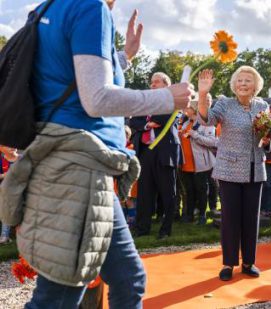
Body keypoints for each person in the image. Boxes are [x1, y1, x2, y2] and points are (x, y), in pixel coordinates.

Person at [0, 1, 192, 308]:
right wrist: (167, 97)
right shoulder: (90, 6)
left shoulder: (52, 7)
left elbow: (71, 79)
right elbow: (96, 98)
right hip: (79, 169)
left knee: (128, 278)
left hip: (71, 162)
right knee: (59, 295)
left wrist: (124, 57)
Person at [197, 67, 270, 281]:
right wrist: (202, 94)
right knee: (230, 219)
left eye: (248, 80)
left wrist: (268, 139)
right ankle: (228, 264)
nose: (243, 84)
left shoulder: (262, 105)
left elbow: (268, 133)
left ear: (256, 85)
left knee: (250, 219)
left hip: (255, 169)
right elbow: (206, 120)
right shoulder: (225, 104)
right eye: (239, 80)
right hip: (229, 169)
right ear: (234, 84)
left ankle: (249, 263)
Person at [130, 72, 181, 239]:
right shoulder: (145, 101)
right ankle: (142, 227)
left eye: (156, 82)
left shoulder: (172, 100)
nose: (152, 85)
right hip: (145, 151)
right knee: (144, 192)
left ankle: (166, 229)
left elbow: (163, 118)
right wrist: (146, 124)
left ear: (166, 85)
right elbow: (133, 121)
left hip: (164, 151)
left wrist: (147, 122)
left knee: (167, 192)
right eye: (151, 82)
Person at [179, 95, 218, 225]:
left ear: (195, 109)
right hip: (186, 163)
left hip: (200, 163)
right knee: (189, 191)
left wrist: (195, 135)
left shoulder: (206, 123)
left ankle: (202, 215)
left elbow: (213, 142)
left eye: (188, 107)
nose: (185, 109)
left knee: (201, 190)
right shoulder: (185, 122)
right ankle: (189, 215)